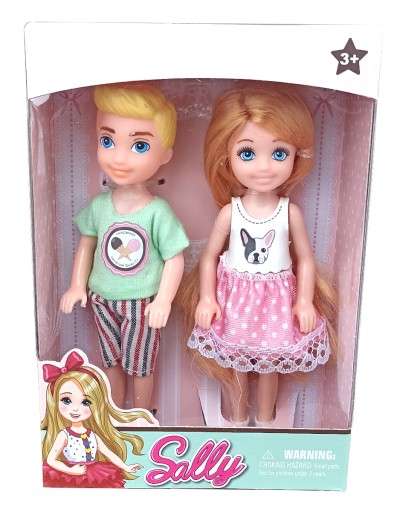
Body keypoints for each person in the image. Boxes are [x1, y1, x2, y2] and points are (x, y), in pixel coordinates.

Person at [179, 83, 337, 427]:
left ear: (296, 156)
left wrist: (304, 301)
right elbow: (209, 257)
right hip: (235, 297)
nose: (264, 167)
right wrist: (207, 297)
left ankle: (267, 423)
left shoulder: (288, 212)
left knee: (270, 365)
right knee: (235, 364)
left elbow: (305, 259)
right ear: (226, 156)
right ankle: (235, 421)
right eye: (247, 153)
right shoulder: (231, 213)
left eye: (279, 153)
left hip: (276, 300)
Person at [60, 82, 189, 410]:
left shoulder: (157, 212)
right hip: (101, 299)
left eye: (139, 146)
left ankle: (142, 416)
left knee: (141, 363)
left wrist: (164, 300)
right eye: (108, 141)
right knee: (111, 360)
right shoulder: (100, 206)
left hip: (142, 303)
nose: (119, 157)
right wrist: (76, 285)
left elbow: (174, 258)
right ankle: (116, 413)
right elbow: (87, 244)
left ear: (165, 154)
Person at [41, 350, 153, 488]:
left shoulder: (92, 435)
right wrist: (71, 470)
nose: (75, 409)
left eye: (85, 402)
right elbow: (51, 460)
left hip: (94, 474)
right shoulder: (64, 435)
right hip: (71, 475)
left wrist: (126, 467)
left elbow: (108, 453)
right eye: (66, 400)